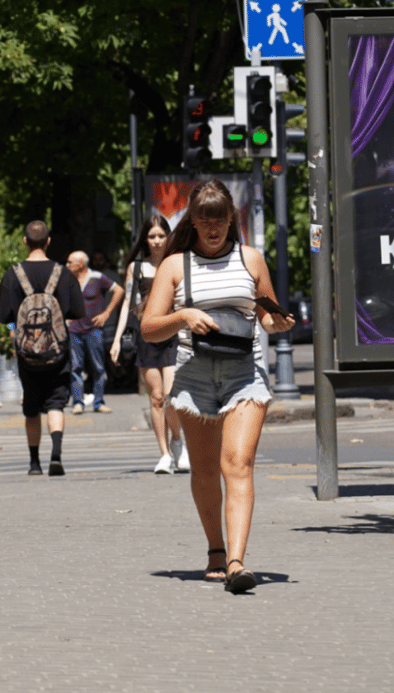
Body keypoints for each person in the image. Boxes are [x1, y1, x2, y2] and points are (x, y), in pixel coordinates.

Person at [140, 180, 295, 593]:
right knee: (206, 471)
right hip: (195, 374)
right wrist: (183, 316)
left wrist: (276, 323)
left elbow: (265, 314)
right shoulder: (175, 265)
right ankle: (215, 548)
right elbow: (149, 329)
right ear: (192, 220)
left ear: (233, 219)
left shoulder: (250, 259)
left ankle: (237, 562)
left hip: (246, 371)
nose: (212, 228)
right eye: (204, 220)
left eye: (220, 220)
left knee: (237, 465)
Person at [0, 221, 85, 476]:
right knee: (56, 403)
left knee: (32, 408)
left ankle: (34, 463)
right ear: (48, 242)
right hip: (58, 351)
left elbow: (4, 316)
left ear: (25, 241)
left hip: (27, 355)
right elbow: (78, 311)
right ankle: (56, 454)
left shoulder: (13, 274)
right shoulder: (63, 273)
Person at [111, 215, 187, 475]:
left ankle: (178, 441)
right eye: (151, 236)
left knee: (171, 395)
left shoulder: (177, 263)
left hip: (173, 335)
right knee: (155, 398)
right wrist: (118, 339)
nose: (156, 241)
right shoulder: (137, 268)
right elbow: (127, 304)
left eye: (161, 236)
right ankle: (165, 454)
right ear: (145, 239)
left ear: (168, 237)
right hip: (146, 336)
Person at [65, 251, 124, 415]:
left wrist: (107, 313)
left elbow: (119, 291)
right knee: (76, 367)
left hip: (94, 330)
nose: (67, 265)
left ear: (81, 264)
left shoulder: (98, 278)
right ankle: (78, 402)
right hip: (74, 331)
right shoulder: (67, 280)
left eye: (70, 262)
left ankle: (99, 402)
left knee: (98, 367)